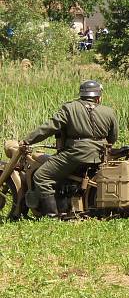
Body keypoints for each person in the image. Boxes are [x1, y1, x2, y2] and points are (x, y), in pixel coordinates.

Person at [21, 80, 119, 218]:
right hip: (99, 154)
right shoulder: (109, 111)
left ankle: (51, 216)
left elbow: (49, 127)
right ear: (98, 97)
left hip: (75, 154)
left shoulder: (70, 108)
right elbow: (113, 137)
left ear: (82, 95)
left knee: (42, 176)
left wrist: (28, 140)